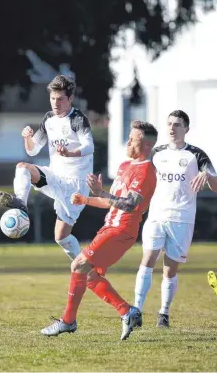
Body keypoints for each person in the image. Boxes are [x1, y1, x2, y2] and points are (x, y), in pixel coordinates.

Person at [41, 120, 158, 340]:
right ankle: (127, 311)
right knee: (90, 277)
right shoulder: (125, 167)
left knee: (79, 265)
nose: (128, 142)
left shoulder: (146, 172)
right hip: (109, 228)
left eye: (133, 139)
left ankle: (68, 322)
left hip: (122, 231)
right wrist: (87, 198)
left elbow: (130, 205)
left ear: (146, 145)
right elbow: (111, 202)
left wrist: (102, 194)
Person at [134, 110, 217, 328]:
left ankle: (163, 313)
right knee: (147, 260)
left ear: (186, 129)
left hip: (182, 218)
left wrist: (207, 175)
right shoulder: (157, 153)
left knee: (169, 270)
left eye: (178, 124)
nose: (172, 128)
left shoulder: (197, 155)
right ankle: (135, 311)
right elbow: (141, 176)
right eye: (170, 124)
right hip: (157, 215)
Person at [0, 75, 94, 260]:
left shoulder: (78, 119)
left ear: (70, 98)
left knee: (61, 237)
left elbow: (89, 146)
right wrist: (27, 137)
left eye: (60, 99)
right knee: (22, 167)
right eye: (52, 98)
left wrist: (70, 153)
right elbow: (33, 151)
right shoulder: (49, 119)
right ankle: (21, 204)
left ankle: (86, 269)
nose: (55, 103)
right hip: (55, 176)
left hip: (75, 186)